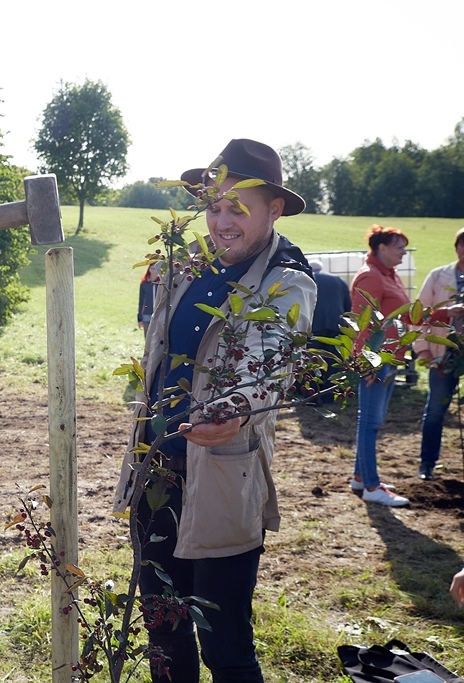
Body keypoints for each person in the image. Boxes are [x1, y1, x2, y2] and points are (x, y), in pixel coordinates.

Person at [112, 139, 316, 683]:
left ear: (274, 209)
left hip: (223, 479)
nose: (222, 221)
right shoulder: (186, 267)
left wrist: (233, 410)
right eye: (215, 206)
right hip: (157, 473)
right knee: (162, 630)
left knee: (224, 643)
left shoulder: (287, 282)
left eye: (239, 208)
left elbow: (266, 367)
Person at [348, 225, 412, 506]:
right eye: (399, 247)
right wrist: (367, 362)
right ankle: (372, 487)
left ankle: (360, 478)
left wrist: (446, 314)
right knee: (370, 422)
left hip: (390, 358)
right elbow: (361, 323)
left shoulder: (390, 275)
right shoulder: (370, 277)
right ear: (382, 248)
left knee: (373, 420)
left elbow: (408, 314)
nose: (404, 253)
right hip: (377, 361)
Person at [412, 227, 464, 481]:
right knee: (435, 411)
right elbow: (419, 314)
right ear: (456, 248)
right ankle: (427, 464)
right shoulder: (438, 276)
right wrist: (424, 351)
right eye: (462, 245)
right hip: (443, 355)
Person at [307, 259, 352, 400]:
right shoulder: (338, 280)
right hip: (336, 324)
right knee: (333, 360)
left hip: (313, 325)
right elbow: (347, 305)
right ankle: (330, 395)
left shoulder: (306, 279)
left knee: (312, 361)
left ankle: (311, 396)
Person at [137, 264, 157, 335]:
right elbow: (141, 301)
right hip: (146, 314)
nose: (155, 271)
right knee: (148, 336)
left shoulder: (162, 284)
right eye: (153, 268)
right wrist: (139, 318)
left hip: (159, 314)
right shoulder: (144, 284)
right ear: (149, 270)